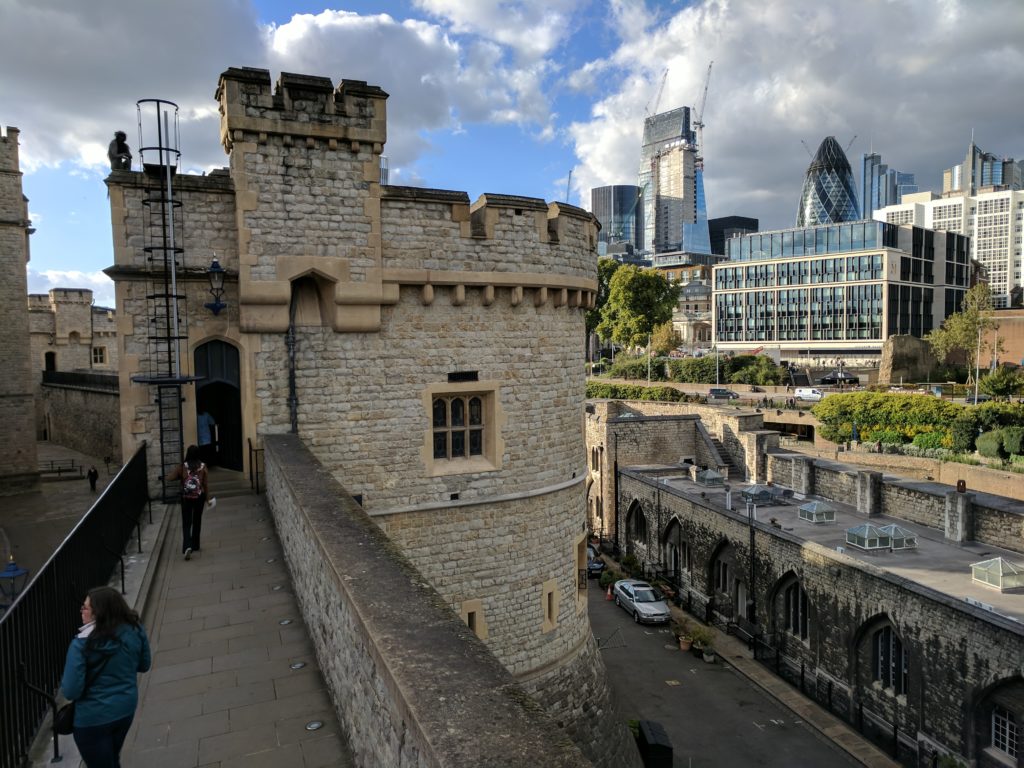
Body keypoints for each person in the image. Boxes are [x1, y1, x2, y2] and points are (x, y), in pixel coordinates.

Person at [61, 586, 151, 768]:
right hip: (125, 709)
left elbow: (71, 691)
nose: (81, 611)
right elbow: (144, 665)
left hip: (92, 719)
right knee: (112, 759)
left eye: (85, 608)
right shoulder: (135, 629)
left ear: (98, 613)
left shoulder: (80, 646)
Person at [167, 445, 209, 560]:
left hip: (186, 497)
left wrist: (177, 477)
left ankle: (187, 546)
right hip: (199, 496)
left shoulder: (183, 467)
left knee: (186, 522)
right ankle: (196, 545)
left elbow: (170, 478)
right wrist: (207, 498)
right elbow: (205, 484)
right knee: (197, 520)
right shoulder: (203, 466)